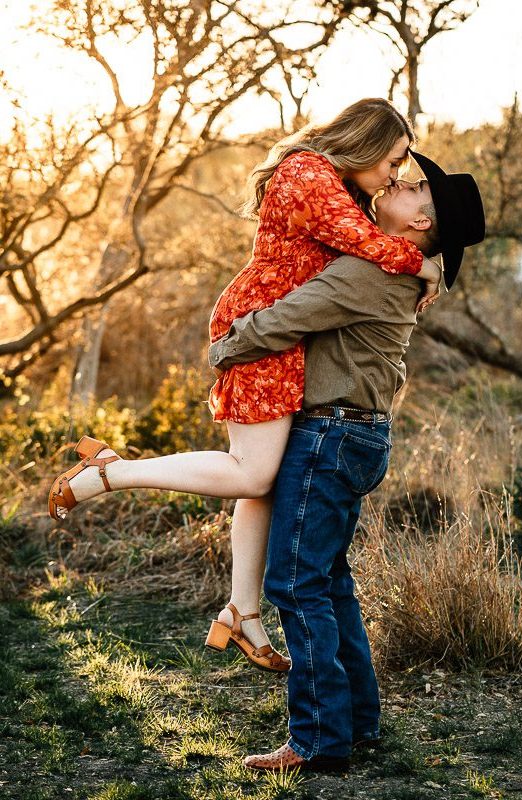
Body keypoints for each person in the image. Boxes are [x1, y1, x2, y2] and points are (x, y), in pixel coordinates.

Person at [47, 99, 442, 671]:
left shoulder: (336, 181)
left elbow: (377, 247)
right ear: (366, 142)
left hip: (286, 330)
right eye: (394, 161)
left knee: (264, 478)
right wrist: (430, 266)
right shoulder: (308, 175)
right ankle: (110, 471)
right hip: (263, 326)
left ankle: (242, 612)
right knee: (253, 471)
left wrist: (427, 263)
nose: (395, 175)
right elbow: (377, 247)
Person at [207, 150, 486, 771]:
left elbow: (286, 319)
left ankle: (317, 740)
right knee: (328, 582)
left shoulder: (369, 274)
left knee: (296, 584)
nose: (404, 183)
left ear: (419, 223)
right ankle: (356, 722)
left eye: (416, 190)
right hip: (356, 436)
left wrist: (226, 346)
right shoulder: (395, 268)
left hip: (330, 436)